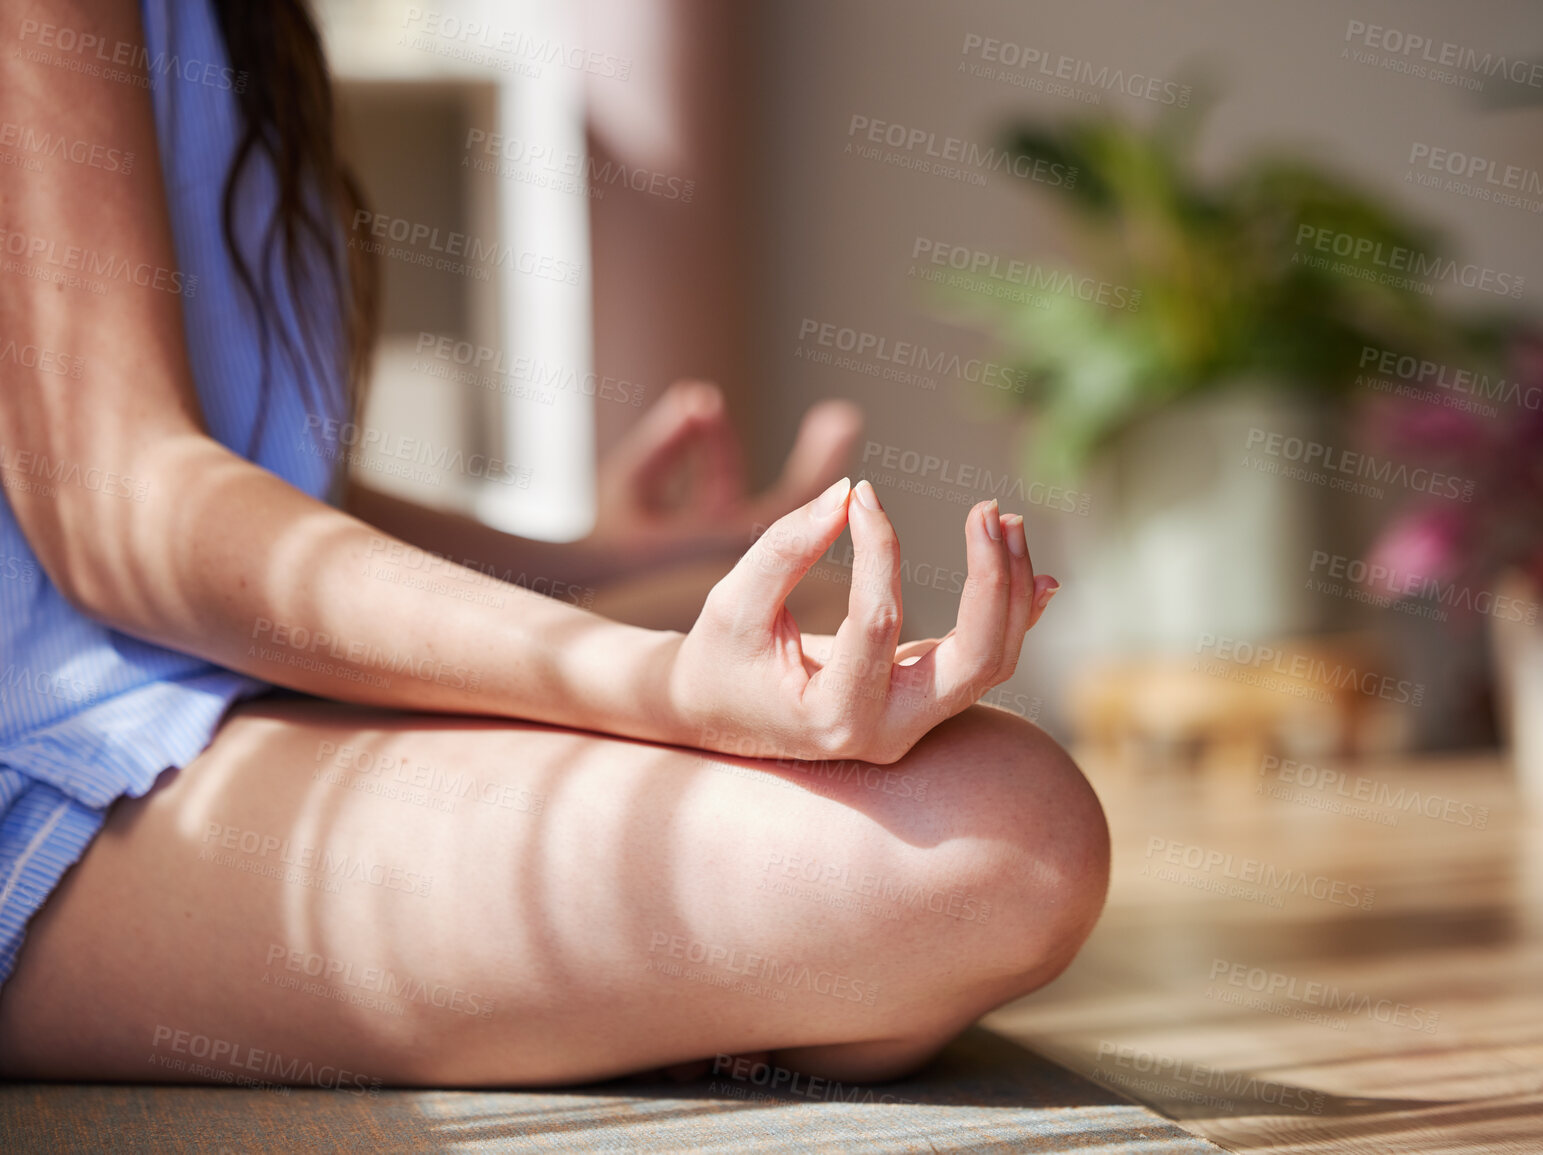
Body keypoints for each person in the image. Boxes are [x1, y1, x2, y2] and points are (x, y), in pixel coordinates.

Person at [0, 0, 1108, 1088]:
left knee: (818, 636)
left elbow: (251, 482)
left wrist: (590, 554)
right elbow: (116, 509)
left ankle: (699, 990)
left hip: (200, 678)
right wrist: (665, 686)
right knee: (1000, 837)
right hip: (58, 759)